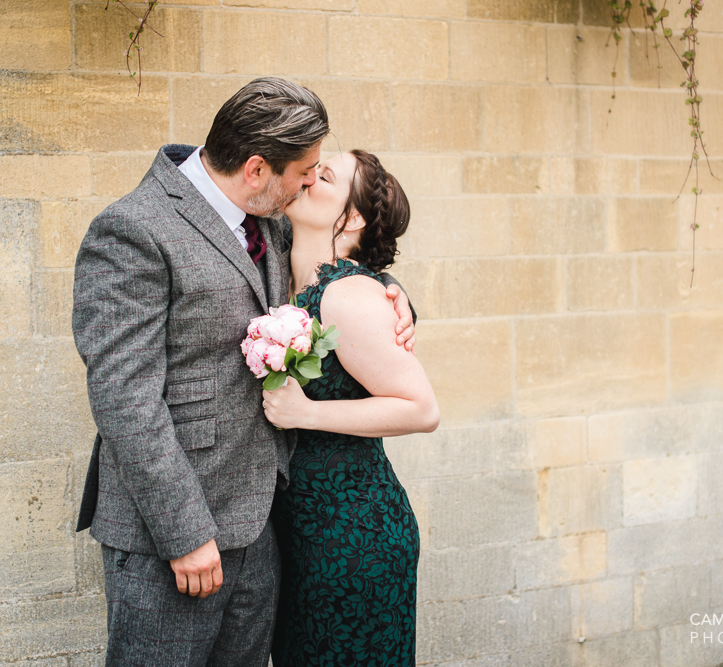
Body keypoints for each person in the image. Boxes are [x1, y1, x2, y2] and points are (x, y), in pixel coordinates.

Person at [71, 78, 416, 666]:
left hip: (264, 530)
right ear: (257, 169)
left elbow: (338, 268)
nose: (309, 182)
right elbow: (125, 399)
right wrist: (184, 535)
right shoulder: (133, 229)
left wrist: (391, 291)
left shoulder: (273, 219)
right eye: (304, 171)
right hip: (176, 535)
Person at [261, 150, 440, 666]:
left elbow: (421, 408)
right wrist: (390, 284)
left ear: (353, 218)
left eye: (326, 176)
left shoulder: (349, 296)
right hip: (300, 533)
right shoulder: (291, 277)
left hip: (354, 535)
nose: (309, 177)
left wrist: (308, 414)